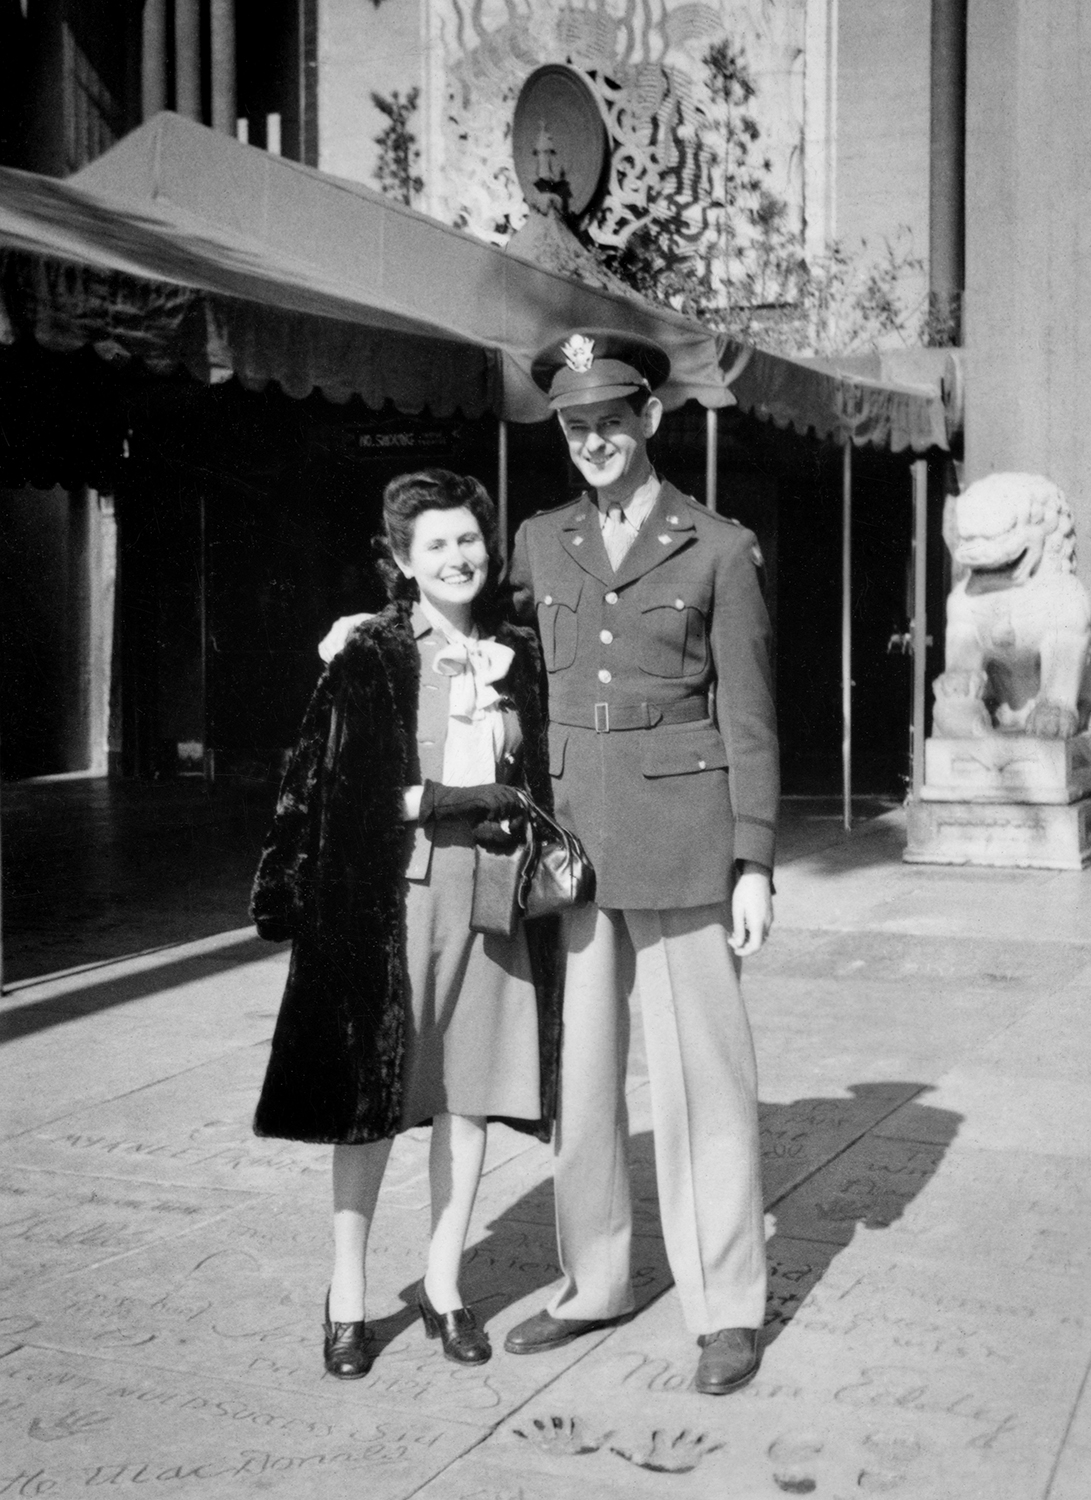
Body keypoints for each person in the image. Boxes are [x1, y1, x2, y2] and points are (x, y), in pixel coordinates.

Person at [502, 328, 778, 1396]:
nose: (593, 441)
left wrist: (751, 858)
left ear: (648, 421)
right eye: (575, 426)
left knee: (705, 1085)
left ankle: (725, 1306)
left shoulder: (717, 547)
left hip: (684, 844)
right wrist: (369, 637)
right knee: (582, 1087)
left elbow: (748, 718)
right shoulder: (539, 540)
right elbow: (474, 635)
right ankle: (595, 1281)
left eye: (610, 420)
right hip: (575, 850)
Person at [250, 468, 560, 1379]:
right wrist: (436, 794)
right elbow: (326, 782)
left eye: (469, 540)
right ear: (399, 559)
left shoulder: (517, 650)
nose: (457, 557)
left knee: (466, 1098)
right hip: (397, 896)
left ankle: (444, 1283)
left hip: (494, 898)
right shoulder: (375, 650)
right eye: (436, 545)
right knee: (371, 1104)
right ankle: (347, 1295)